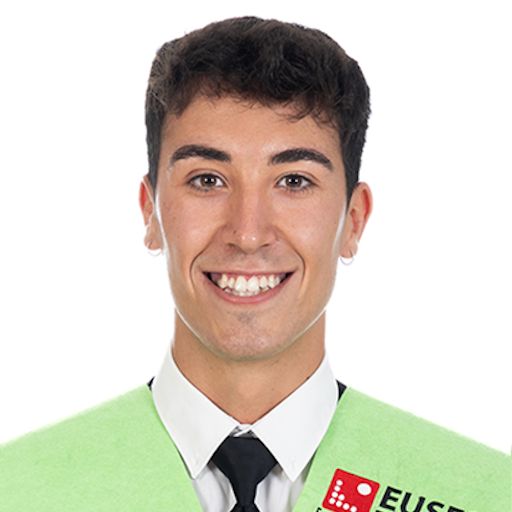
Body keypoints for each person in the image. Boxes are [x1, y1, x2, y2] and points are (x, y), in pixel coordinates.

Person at [0, 16, 509, 512]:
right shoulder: (17, 490)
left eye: (294, 182)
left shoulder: (485, 496)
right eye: (207, 180)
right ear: (150, 212)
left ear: (353, 221)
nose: (247, 234)